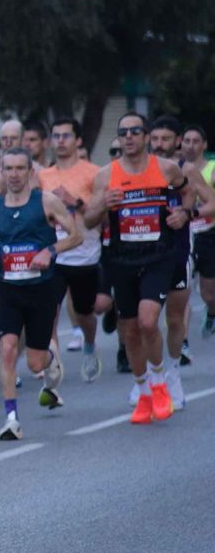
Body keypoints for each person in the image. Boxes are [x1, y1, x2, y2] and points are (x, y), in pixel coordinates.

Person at [83, 112, 214, 424]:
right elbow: (88, 220)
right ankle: (143, 391)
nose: (129, 137)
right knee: (130, 330)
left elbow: (188, 191)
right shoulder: (106, 175)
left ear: (145, 137)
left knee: (149, 319)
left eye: (135, 131)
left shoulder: (167, 169)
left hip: (161, 255)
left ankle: (162, 380)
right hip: (122, 258)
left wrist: (185, 213)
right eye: (123, 132)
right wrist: (103, 204)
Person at [0, 148, 79, 440]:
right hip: (7, 288)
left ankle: (50, 358)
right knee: (7, 349)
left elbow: (76, 235)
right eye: (8, 168)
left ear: (31, 172)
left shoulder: (46, 202)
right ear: (1, 172)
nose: (14, 174)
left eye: (20, 168)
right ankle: (12, 419)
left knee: (35, 362)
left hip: (41, 290)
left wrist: (50, 251)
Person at [39, 116, 106, 382]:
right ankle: (52, 363)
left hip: (85, 254)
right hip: (54, 252)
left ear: (78, 140)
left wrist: (73, 201)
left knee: (84, 313)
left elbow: (100, 217)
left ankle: (89, 345)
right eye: (56, 136)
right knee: (49, 310)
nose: (60, 141)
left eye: (66, 136)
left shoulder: (94, 173)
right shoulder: (43, 175)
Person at [149, 116, 193, 403]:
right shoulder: (137, 170)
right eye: (155, 138)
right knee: (145, 320)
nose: (159, 144)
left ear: (177, 141)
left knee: (175, 319)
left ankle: (173, 373)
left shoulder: (184, 170)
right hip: (143, 256)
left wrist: (187, 213)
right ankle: (149, 378)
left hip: (176, 252)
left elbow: (207, 200)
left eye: (165, 139)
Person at [180, 124, 215, 339]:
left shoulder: (212, 168)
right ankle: (182, 343)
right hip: (183, 234)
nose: (190, 146)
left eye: (195, 141)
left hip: (207, 233)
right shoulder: (176, 169)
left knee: (209, 294)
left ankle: (211, 312)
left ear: (204, 145)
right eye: (187, 141)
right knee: (181, 292)